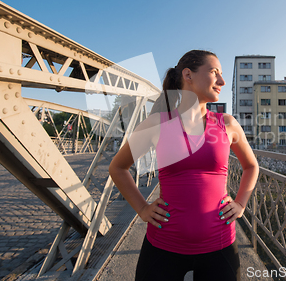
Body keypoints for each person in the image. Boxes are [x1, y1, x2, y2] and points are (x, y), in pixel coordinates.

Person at [109, 50, 259, 281]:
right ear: (188, 74)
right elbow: (118, 167)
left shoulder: (227, 124)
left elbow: (251, 166)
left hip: (219, 245)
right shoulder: (157, 123)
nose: (222, 81)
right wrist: (142, 208)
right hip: (164, 244)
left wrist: (240, 203)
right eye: (214, 72)